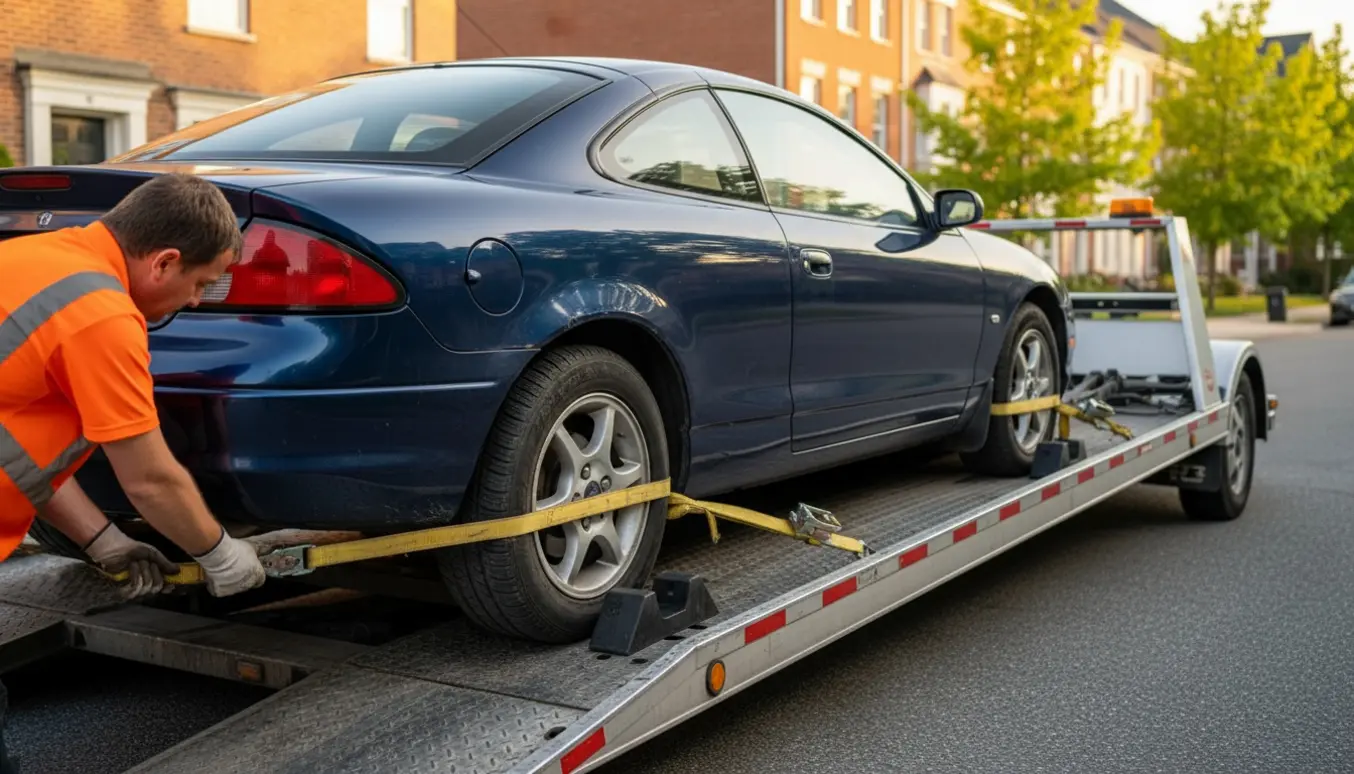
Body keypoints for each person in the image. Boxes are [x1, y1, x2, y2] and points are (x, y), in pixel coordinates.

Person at [0, 173, 271, 773]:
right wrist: (221, 555)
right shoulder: (100, 316)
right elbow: (150, 480)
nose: (197, 301)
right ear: (165, 262)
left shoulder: (28, 259)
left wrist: (101, 538)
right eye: (200, 283)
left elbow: (12, 444)